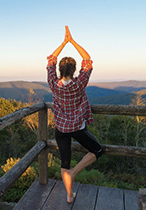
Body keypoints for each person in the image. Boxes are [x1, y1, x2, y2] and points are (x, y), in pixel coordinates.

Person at [46, 26, 103, 203]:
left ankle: (69, 195)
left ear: (60, 70)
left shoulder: (53, 83)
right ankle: (75, 172)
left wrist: (64, 42)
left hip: (60, 128)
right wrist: (72, 41)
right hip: (77, 127)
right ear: (74, 70)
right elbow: (87, 59)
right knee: (98, 150)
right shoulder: (79, 84)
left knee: (65, 161)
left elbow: (50, 61)